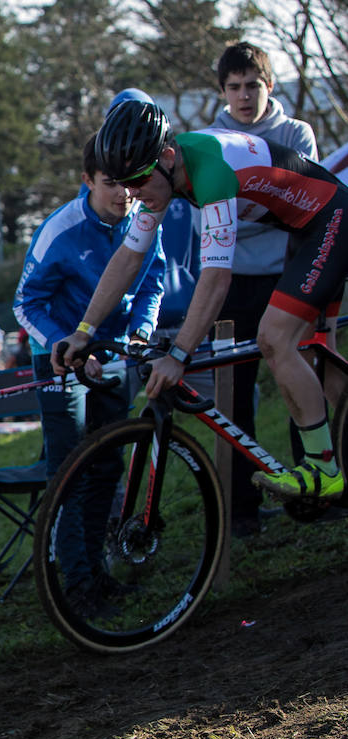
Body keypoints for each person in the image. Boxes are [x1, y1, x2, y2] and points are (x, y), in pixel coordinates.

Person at [56, 99, 348, 502]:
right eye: (125, 185)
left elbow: (214, 278)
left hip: (330, 218)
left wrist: (179, 355)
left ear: (168, 157)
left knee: (275, 338)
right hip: (305, 226)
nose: (133, 194)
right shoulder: (163, 175)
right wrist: (83, 330)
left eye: (138, 181)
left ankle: (323, 469)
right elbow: (128, 258)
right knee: (316, 358)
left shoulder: (211, 173)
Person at [15, 133, 164, 609]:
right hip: (61, 360)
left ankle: (97, 572)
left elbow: (154, 281)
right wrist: (64, 342)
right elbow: (24, 304)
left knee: (108, 466)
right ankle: (73, 582)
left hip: (116, 356)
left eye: (127, 182)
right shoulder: (60, 229)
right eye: (109, 183)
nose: (122, 192)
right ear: (87, 182)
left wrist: (139, 332)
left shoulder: (145, 218)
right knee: (72, 471)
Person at [209, 42, 320, 535]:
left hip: (287, 274)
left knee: (300, 380)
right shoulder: (209, 139)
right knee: (234, 396)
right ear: (223, 91)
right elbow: (210, 224)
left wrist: (249, 213)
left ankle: (314, 492)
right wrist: (268, 209)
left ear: (268, 85)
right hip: (229, 281)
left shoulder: (296, 134)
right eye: (234, 87)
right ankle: (241, 511)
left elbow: (304, 210)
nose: (244, 96)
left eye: (252, 85)